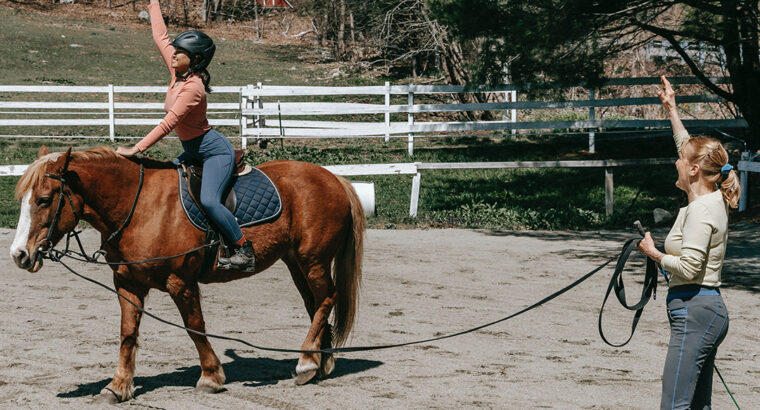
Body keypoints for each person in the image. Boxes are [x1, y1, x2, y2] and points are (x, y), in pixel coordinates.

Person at [116, 0, 254, 271]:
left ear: (196, 60)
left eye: (180, 53)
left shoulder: (194, 88)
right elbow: (160, 37)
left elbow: (169, 124)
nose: (174, 55)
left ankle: (243, 249)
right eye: (176, 51)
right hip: (192, 150)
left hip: (213, 151)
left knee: (210, 201)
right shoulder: (177, 72)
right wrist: (153, 4)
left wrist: (136, 149)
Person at [637, 75, 741, 409]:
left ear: (694, 170)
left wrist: (654, 254)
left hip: (695, 310)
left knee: (674, 405)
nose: (676, 161)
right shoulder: (708, 200)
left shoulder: (701, 211)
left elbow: (691, 266)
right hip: (700, 309)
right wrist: (671, 109)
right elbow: (686, 146)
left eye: (682, 161)